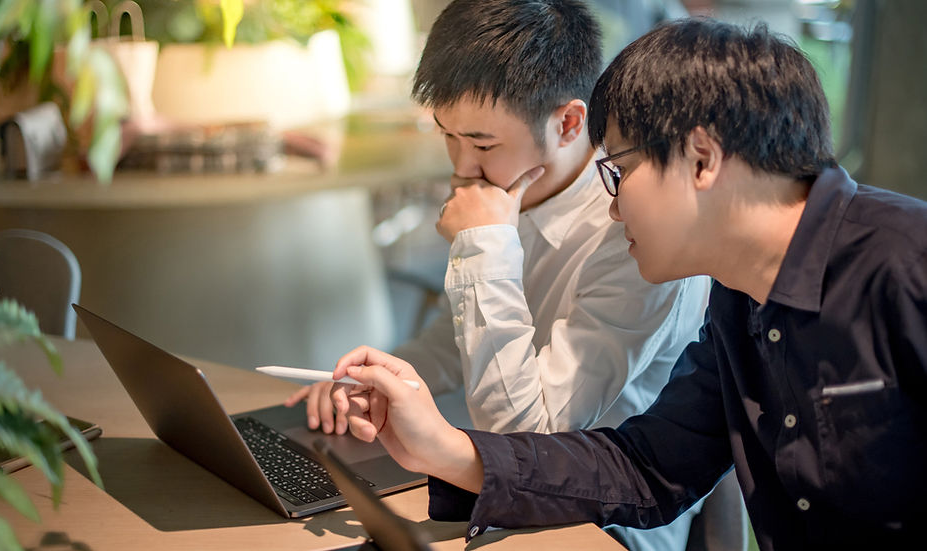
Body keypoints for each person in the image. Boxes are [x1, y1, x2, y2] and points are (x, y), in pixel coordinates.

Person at [325, 17, 927, 551]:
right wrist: (445, 449)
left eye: (620, 171)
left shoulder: (907, 264)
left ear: (701, 158)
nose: (611, 207)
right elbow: (649, 469)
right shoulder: (739, 296)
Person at [286, 1, 712, 548]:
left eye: (483, 144)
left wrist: (484, 248)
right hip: (476, 491)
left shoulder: (633, 234)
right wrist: (378, 386)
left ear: (568, 123)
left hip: (596, 528)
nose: (461, 167)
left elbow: (530, 444)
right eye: (448, 136)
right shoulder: (501, 192)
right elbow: (449, 338)